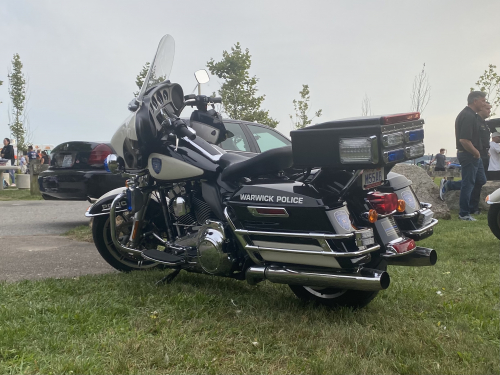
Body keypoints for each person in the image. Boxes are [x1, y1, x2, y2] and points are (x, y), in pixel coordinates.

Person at [439, 91, 487, 221]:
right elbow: (464, 140)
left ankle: (449, 185)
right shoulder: (467, 116)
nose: (484, 103)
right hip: (469, 155)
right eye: (483, 100)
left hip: (475, 155)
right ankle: (464, 214)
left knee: (480, 180)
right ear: (475, 101)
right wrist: (476, 153)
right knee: (468, 184)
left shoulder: (473, 115)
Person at [478, 102, 492, 173]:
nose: (489, 111)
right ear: (480, 108)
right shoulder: (475, 121)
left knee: (483, 180)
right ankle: (449, 184)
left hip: (485, 153)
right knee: (475, 179)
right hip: (478, 153)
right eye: (487, 108)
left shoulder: (485, 123)